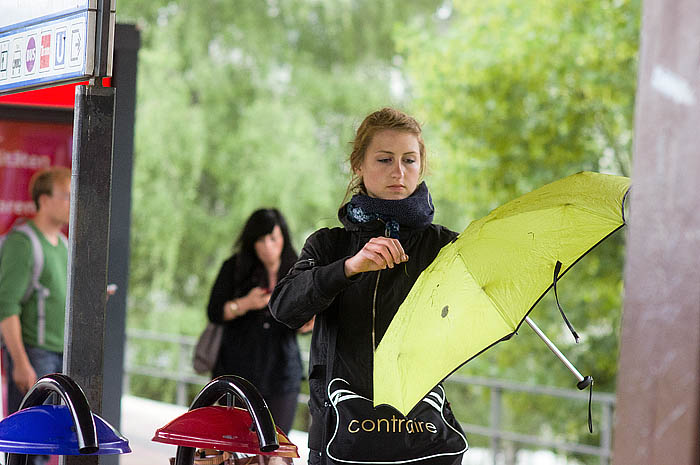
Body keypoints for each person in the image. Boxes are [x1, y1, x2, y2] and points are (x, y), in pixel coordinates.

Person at [269, 108, 465, 464]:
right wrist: (348, 268)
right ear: (358, 164)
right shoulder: (328, 245)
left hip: (422, 440)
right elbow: (284, 308)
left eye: (409, 160)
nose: (398, 171)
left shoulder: (446, 248)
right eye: (385, 159)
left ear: (422, 166)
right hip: (340, 439)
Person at [206, 208, 306, 434]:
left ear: (283, 238)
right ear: (252, 242)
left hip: (282, 373)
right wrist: (245, 304)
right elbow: (214, 312)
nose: (268, 246)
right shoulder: (235, 267)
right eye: (261, 240)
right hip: (237, 372)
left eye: (273, 238)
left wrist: (307, 324)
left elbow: (308, 319)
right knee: (235, 448)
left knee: (277, 449)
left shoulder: (298, 269)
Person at [0, 167, 71, 420]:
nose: (72, 203)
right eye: (65, 195)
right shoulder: (23, 243)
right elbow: (6, 306)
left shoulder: (63, 244)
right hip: (34, 356)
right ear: (44, 200)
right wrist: (20, 362)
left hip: (62, 356)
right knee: (27, 447)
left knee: (48, 440)